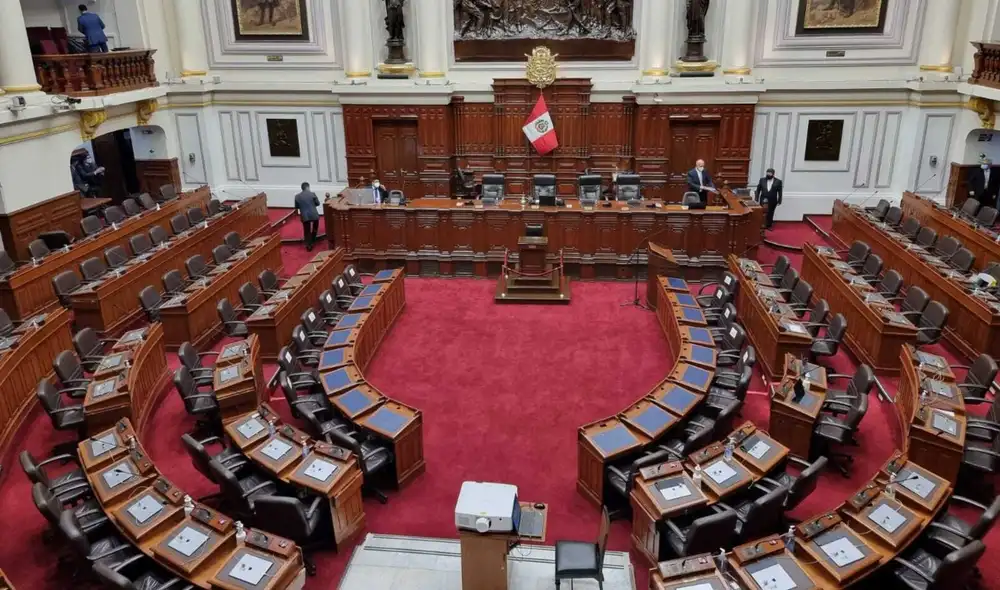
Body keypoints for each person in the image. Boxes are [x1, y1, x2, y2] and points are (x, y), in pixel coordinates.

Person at [294, 182, 321, 251]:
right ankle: (313, 239)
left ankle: (308, 246)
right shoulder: (312, 194)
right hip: (314, 214)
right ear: (308, 187)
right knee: (315, 227)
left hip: (305, 216)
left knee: (307, 231)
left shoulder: (297, 196)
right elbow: (318, 203)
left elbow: (296, 207)